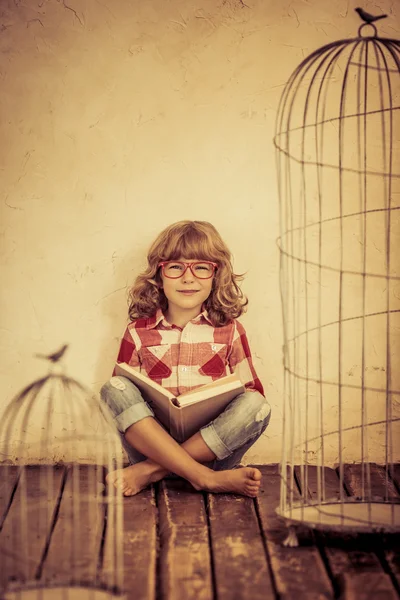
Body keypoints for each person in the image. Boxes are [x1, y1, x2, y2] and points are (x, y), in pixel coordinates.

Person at [100, 220, 271, 497]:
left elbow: (251, 393)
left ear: (216, 276)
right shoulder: (137, 332)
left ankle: (152, 471)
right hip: (153, 443)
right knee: (114, 390)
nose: (188, 278)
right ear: (159, 275)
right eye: (176, 267)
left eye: (201, 268)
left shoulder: (231, 331)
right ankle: (205, 479)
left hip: (213, 450)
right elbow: (124, 403)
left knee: (256, 405)